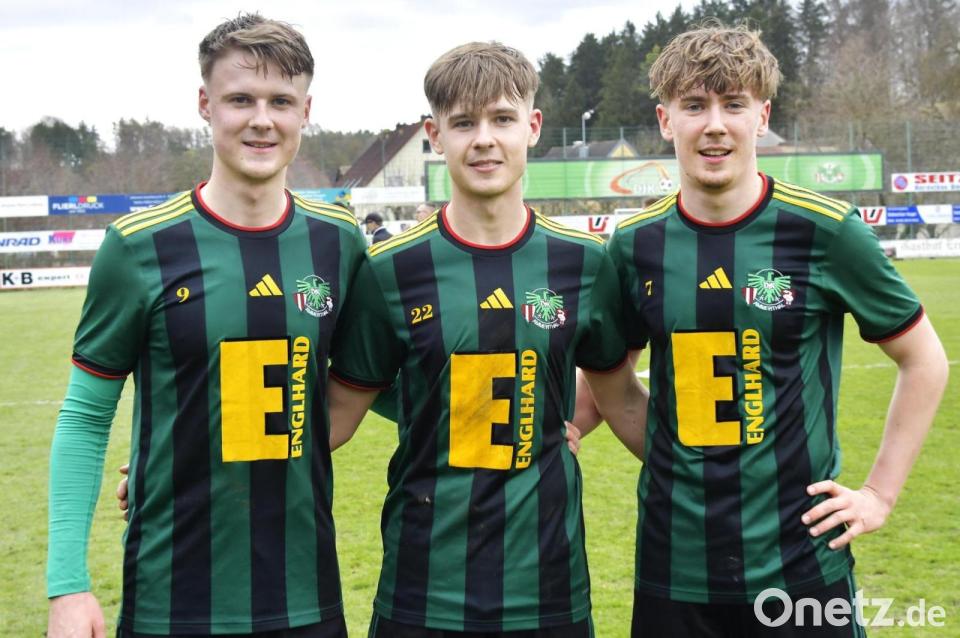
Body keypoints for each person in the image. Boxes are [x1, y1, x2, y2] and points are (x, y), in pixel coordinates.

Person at [580, 23, 949, 637]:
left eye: (734, 104)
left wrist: (879, 495)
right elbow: (608, 378)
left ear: (763, 116)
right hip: (675, 568)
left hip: (802, 564)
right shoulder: (634, 245)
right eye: (694, 105)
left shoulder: (825, 231)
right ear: (666, 120)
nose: (714, 125)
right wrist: (675, 457)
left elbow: (924, 359)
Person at [46, 14, 365, 638]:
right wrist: (68, 586)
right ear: (205, 104)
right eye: (240, 99)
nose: (261, 120)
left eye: (281, 102)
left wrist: (547, 419)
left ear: (306, 111)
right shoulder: (137, 246)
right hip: (172, 600)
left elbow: (375, 381)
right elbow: (85, 416)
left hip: (306, 597)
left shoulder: (338, 242)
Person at [324, 42, 647, 637]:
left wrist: (738, 485)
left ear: (533, 126)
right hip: (422, 590)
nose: (484, 139)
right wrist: (183, 460)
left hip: (548, 588)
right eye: (463, 123)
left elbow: (620, 399)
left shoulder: (583, 263)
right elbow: (338, 412)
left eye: (501, 119)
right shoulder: (390, 270)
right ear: (434, 135)